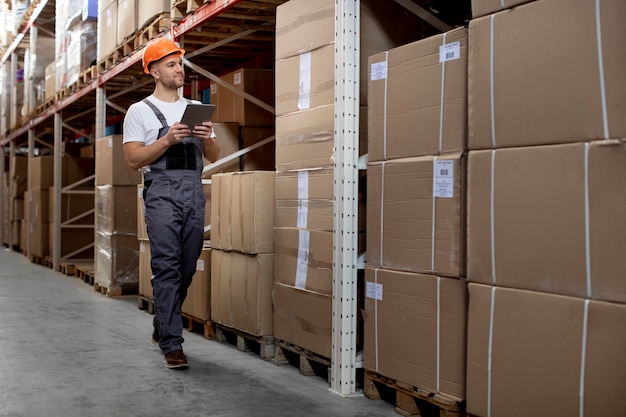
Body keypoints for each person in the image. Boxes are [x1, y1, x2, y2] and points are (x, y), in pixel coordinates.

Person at [122, 37, 219, 369]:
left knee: (188, 265)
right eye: (171, 64)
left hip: (193, 192)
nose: (179, 69)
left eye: (180, 63)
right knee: (167, 266)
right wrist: (167, 139)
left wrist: (206, 139)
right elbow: (134, 160)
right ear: (153, 71)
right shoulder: (139, 112)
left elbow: (215, 155)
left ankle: (161, 324)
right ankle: (172, 344)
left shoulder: (194, 107)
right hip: (161, 193)